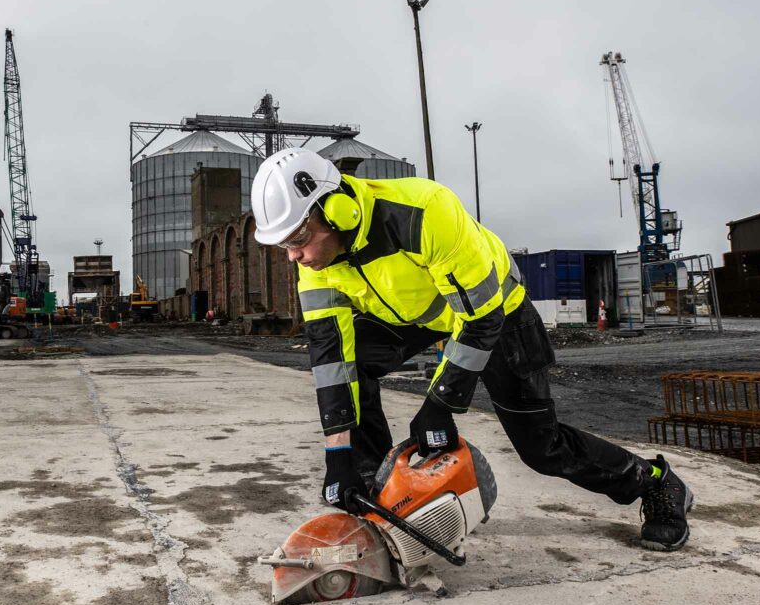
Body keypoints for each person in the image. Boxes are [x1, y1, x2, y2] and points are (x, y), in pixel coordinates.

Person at [250, 147, 693, 552]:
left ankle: (655, 482)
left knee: (542, 447)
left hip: (497, 313)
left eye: (296, 239)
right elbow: (331, 359)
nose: (293, 256)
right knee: (354, 365)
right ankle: (377, 492)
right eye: (283, 245)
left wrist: (440, 403)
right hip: (422, 314)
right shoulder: (318, 263)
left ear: (338, 211)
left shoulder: (422, 211)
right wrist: (339, 455)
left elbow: (481, 319)